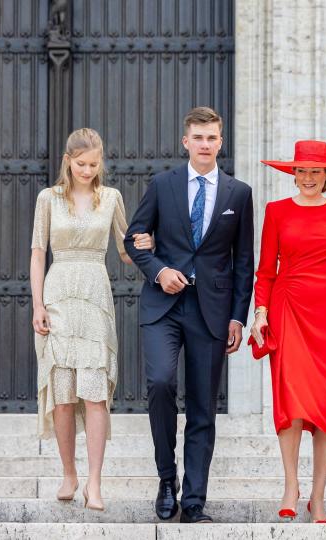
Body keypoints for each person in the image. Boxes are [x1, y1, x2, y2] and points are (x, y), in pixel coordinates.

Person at [123, 107, 255, 523]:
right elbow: (134, 239)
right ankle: (167, 479)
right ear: (185, 141)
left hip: (212, 312)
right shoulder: (163, 185)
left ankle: (195, 499)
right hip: (163, 306)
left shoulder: (239, 193)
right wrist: (160, 271)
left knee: (203, 405)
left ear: (221, 141)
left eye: (212, 138)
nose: (204, 144)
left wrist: (238, 317)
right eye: (198, 137)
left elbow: (244, 261)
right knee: (160, 383)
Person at [248, 140, 326, 523]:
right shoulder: (276, 211)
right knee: (291, 399)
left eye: (315, 171)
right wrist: (260, 313)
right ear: (292, 174)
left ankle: (318, 495)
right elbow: (265, 270)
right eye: (301, 171)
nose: (307, 178)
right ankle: (291, 485)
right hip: (288, 309)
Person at [30, 128, 131, 511]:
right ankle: (69, 473)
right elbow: (39, 254)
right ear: (68, 161)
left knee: (94, 392)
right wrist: (38, 305)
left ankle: (94, 482)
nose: (87, 170)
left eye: (93, 164)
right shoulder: (48, 199)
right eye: (81, 164)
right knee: (61, 396)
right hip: (58, 296)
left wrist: (153, 246)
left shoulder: (112, 198)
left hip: (94, 298)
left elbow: (126, 250)